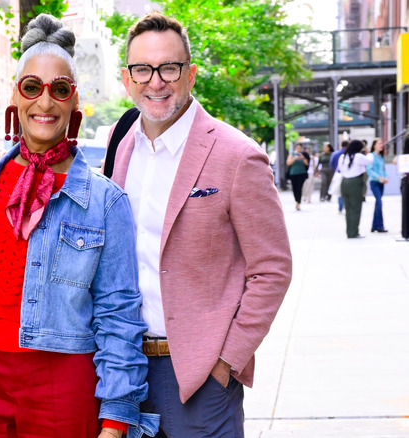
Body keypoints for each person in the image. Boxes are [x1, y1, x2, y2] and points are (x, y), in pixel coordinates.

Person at [0, 14, 154, 438]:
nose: (44, 103)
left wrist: (117, 419)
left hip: (62, 384)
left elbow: (119, 316)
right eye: (32, 87)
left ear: (74, 101)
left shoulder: (105, 202)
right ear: (15, 95)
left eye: (59, 90)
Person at [107, 12, 292, 437]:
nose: (156, 81)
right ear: (127, 78)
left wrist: (226, 361)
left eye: (168, 68)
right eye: (143, 69)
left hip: (201, 377)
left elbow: (273, 268)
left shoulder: (237, 155)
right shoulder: (123, 149)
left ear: (189, 74)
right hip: (127, 371)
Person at [338, 139, 374, 238]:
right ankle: (354, 232)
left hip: (344, 182)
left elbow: (340, 169)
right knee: (356, 208)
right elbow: (370, 160)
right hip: (355, 183)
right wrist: (367, 150)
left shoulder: (343, 156)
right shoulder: (358, 156)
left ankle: (350, 232)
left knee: (348, 209)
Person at [367, 138, 388, 233]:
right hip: (375, 182)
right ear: (374, 145)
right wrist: (378, 177)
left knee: (378, 203)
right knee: (379, 202)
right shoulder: (370, 156)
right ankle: (379, 226)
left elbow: (383, 169)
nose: (381, 145)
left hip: (381, 182)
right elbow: (369, 170)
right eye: (379, 143)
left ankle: (375, 225)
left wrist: (386, 177)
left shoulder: (381, 157)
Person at [287, 143, 309, 210]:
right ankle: (296, 200)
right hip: (293, 173)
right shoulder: (292, 154)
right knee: (294, 188)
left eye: (300, 148)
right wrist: (295, 158)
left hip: (301, 173)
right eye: (298, 148)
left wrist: (303, 158)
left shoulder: (303, 154)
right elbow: (288, 163)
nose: (299, 149)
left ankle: (298, 203)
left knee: (299, 187)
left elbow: (307, 164)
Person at [330, 140, 348, 213]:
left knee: (340, 192)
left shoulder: (335, 154)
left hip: (338, 175)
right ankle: (346, 206)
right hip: (348, 175)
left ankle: (340, 207)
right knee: (347, 192)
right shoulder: (348, 154)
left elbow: (331, 164)